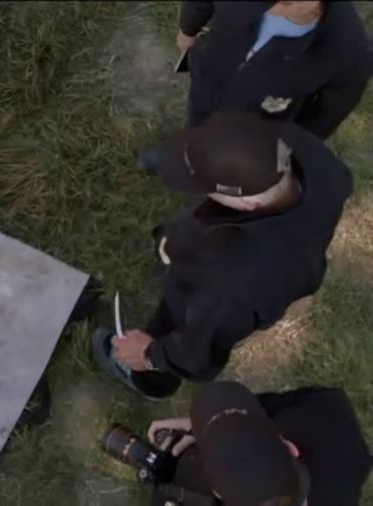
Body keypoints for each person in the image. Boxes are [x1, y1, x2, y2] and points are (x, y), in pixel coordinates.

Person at [92, 111, 353, 399]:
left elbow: (198, 355)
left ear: (247, 205)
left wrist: (150, 354)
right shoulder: (310, 156)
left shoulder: (231, 284)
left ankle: (151, 381)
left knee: (175, 321)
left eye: (204, 188)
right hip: (292, 262)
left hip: (227, 289)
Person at [140, 0, 371, 171]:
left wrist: (286, 150)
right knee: (199, 119)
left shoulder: (348, 52)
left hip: (261, 122)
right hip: (211, 76)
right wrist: (188, 28)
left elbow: (325, 116)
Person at [146, 381, 370, 505]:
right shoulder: (328, 411)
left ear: (218, 493)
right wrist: (213, 428)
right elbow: (283, 401)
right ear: (289, 448)